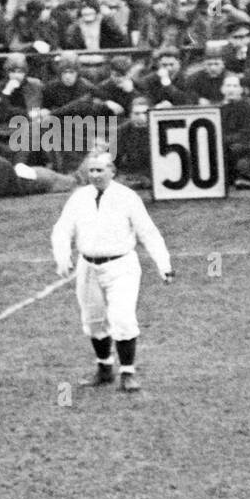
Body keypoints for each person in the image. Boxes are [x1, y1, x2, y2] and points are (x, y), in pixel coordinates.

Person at [51, 150, 174, 391]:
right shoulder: (79, 197)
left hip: (121, 265)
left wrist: (164, 264)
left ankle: (128, 372)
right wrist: (63, 257)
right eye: (91, 170)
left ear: (112, 171)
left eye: (100, 170)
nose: (95, 175)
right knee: (93, 319)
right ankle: (104, 368)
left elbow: (147, 232)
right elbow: (62, 229)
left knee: (122, 317)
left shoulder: (127, 197)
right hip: (88, 266)